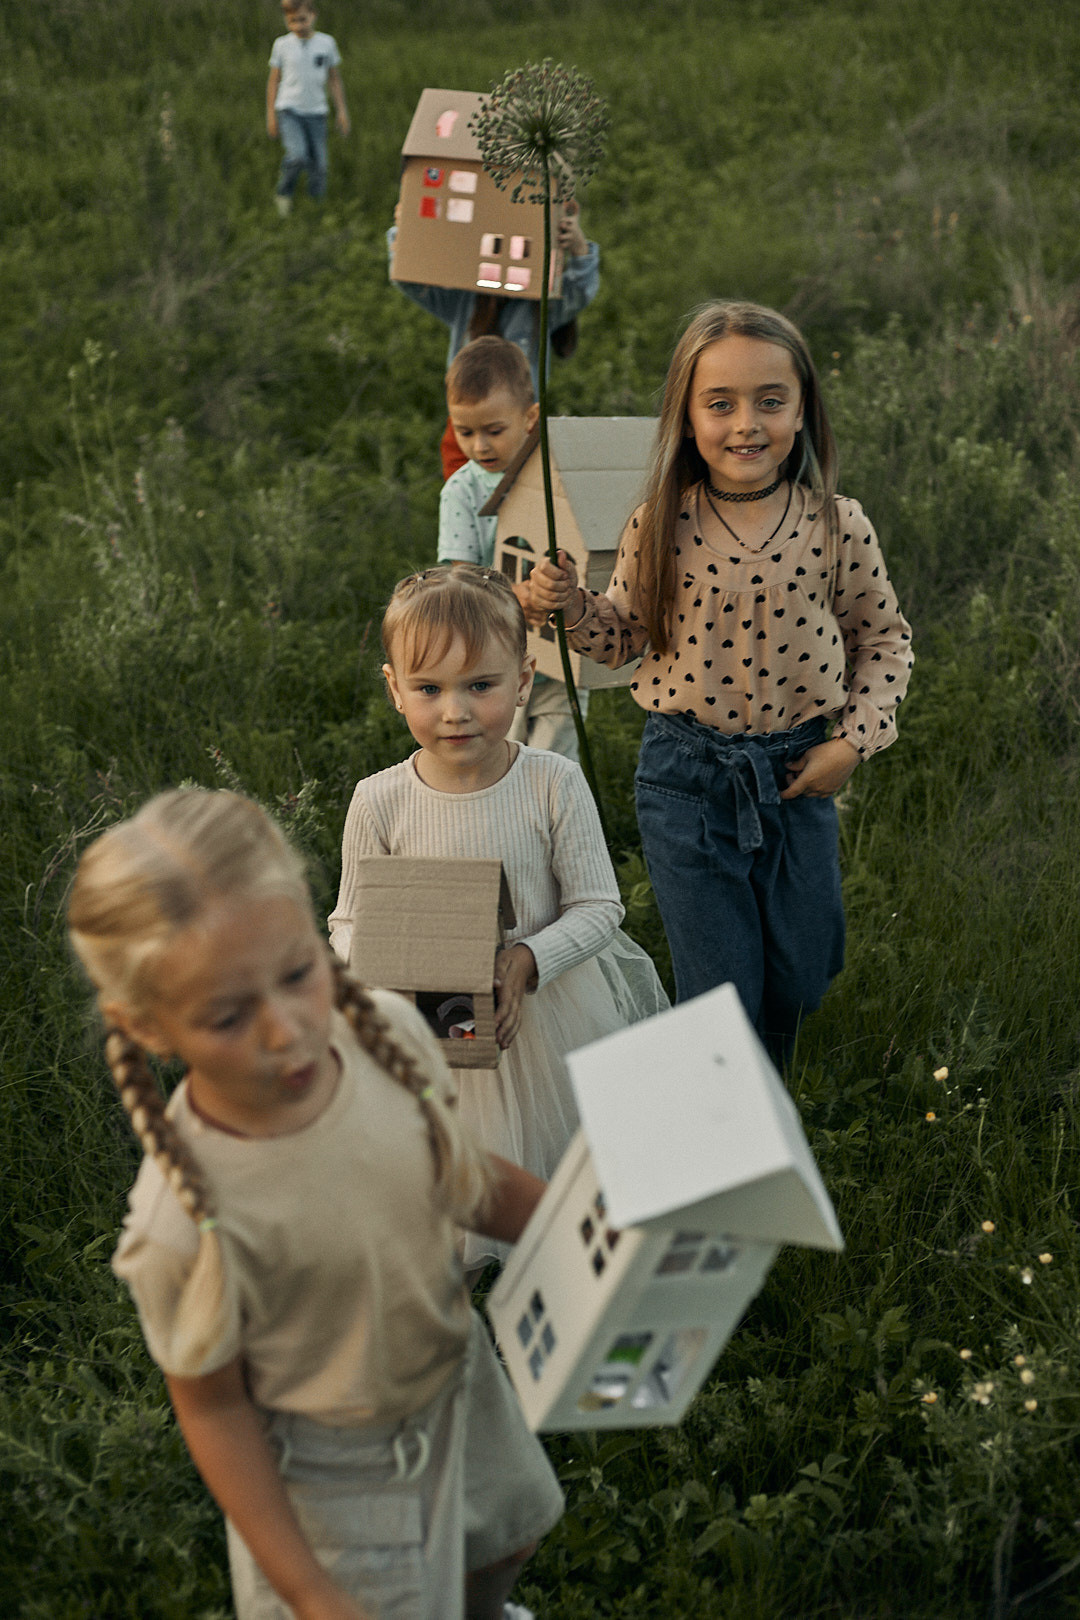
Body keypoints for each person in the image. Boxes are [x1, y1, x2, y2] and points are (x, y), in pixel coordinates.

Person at [69, 788, 562, 1620]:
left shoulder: (386, 1039)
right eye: (228, 1016)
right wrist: (310, 1592)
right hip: (340, 1479)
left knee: (510, 1536)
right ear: (148, 1027)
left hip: (456, 1375)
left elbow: (466, 1176)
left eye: (298, 974)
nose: (289, 1030)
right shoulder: (181, 1222)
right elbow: (215, 1408)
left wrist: (594, 1228)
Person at [527, 300, 914, 1058]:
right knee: (720, 986)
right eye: (721, 404)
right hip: (686, 775)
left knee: (805, 971)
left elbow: (884, 642)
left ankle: (771, 1053)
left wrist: (853, 743)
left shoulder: (837, 526)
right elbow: (624, 639)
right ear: (687, 416)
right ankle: (737, 1106)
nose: (747, 424)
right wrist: (571, 605)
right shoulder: (660, 523)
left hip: (800, 772)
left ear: (802, 411)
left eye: (770, 402)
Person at [328, 566, 667, 1270]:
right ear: (395, 688)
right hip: (435, 1011)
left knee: (565, 1163)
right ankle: (471, 1243)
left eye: (480, 686)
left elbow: (599, 906)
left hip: (545, 1008)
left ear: (523, 679)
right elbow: (349, 921)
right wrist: (389, 974)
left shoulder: (550, 781)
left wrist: (525, 960)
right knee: (450, 1153)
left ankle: (566, 1245)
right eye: (429, 689)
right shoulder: (380, 801)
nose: (455, 711)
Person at [439, 335, 586, 760]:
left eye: (493, 430)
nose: (479, 446)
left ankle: (555, 827)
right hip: (495, 667)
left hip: (559, 662)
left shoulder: (553, 477)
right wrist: (513, 596)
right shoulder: (461, 492)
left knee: (556, 765)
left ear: (529, 418)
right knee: (508, 763)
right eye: (464, 432)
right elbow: (461, 581)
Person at [387, 199, 600, 478]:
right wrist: (406, 229)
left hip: (517, 429)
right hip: (467, 424)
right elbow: (409, 277)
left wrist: (579, 248)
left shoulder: (541, 307)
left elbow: (580, 291)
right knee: (465, 503)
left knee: (521, 507)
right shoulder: (467, 302)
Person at [267, 1, 350, 218]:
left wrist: (341, 111)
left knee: (320, 165)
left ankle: (316, 210)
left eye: (302, 19)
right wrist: (271, 115)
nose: (298, 25)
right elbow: (274, 80)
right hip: (289, 110)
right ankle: (284, 194)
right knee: (297, 155)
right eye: (292, 21)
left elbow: (333, 79)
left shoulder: (326, 43)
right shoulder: (282, 45)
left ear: (313, 15)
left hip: (317, 112)